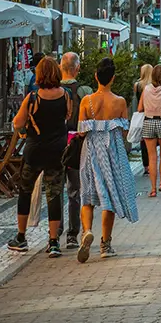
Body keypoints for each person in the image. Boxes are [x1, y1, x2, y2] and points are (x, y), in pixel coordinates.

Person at [77, 58, 139, 262]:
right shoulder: (120, 102)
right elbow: (124, 131)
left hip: (91, 151)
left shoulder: (86, 101)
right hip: (112, 153)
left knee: (88, 195)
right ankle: (106, 243)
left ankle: (86, 231)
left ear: (96, 76)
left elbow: (80, 130)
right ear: (113, 78)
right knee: (109, 197)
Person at [7, 57, 70, 257]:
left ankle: (21, 237)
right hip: (58, 151)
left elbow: (17, 122)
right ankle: (53, 241)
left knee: (25, 191)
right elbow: (68, 117)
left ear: (40, 74)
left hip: (34, 150)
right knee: (54, 193)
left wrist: (26, 129)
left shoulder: (33, 97)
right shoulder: (66, 95)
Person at [59, 52, 88, 249]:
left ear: (61, 67)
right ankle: (72, 234)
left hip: (56, 143)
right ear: (77, 68)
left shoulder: (50, 91)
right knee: (75, 190)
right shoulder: (84, 91)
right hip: (77, 143)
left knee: (55, 190)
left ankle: (54, 234)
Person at [139, 64, 161, 197]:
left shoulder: (146, 89)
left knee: (152, 157)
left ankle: (153, 189)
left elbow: (139, 108)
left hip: (148, 122)